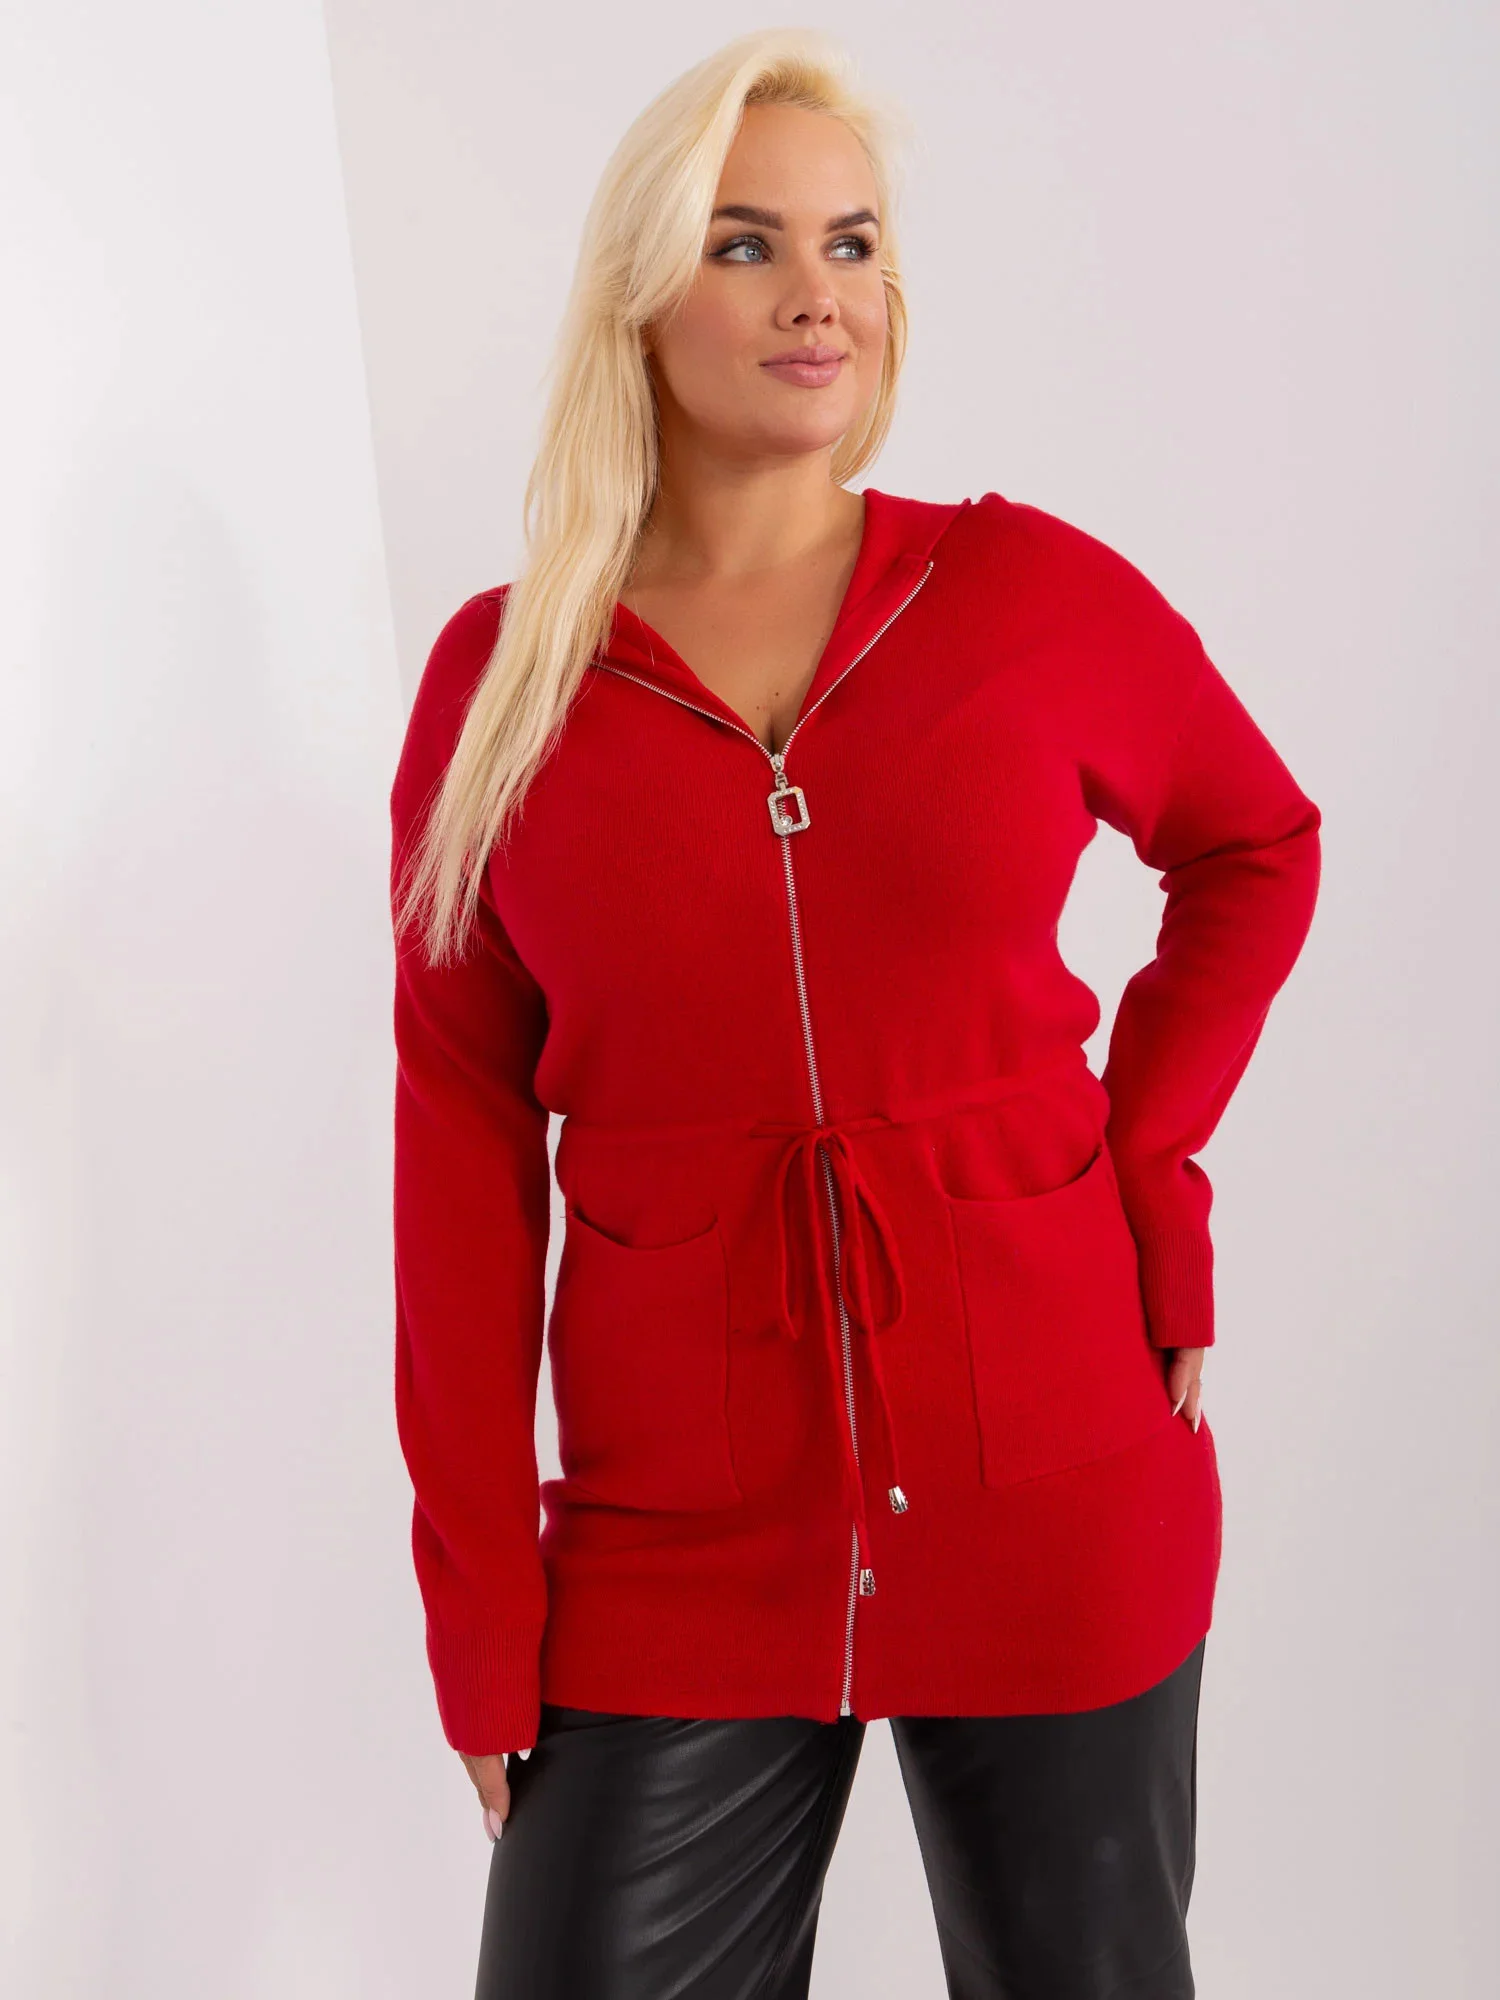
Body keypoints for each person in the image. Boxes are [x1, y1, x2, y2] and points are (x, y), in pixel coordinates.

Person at [388, 28, 1322, 1999]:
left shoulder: (1028, 596)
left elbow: (1255, 843)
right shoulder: (504, 685)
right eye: (745, 243)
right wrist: (480, 1605)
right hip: (670, 1539)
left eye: (854, 241)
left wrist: (1150, 1170)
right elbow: (459, 1156)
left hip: (1055, 1479)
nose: (817, 293)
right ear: (641, 295)